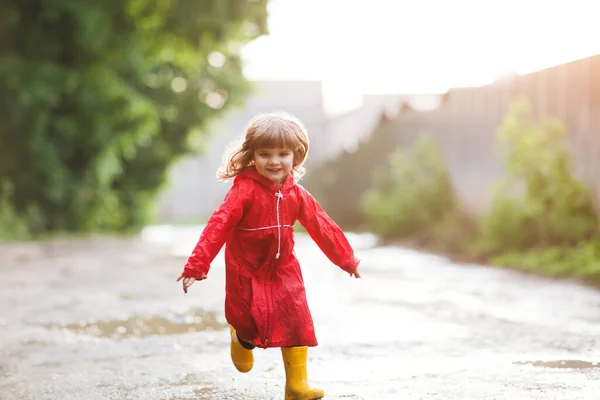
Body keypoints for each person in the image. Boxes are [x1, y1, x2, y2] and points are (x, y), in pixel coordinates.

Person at [176, 111, 361, 400]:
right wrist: (196, 265)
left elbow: (322, 225)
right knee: (250, 325)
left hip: (284, 268)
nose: (274, 161)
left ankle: (296, 386)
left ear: (295, 156)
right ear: (252, 156)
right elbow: (219, 225)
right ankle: (241, 338)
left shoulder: (296, 194)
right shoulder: (243, 192)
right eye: (265, 154)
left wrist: (346, 259)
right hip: (246, 269)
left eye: (282, 153)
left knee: (298, 319)